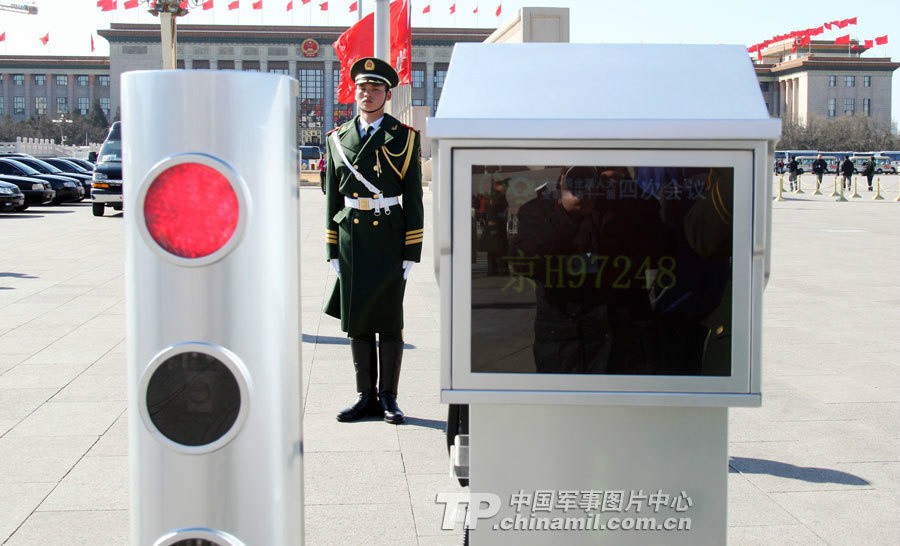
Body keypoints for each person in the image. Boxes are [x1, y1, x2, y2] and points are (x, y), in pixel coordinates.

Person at [323, 57, 424, 425]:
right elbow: (332, 199)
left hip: (389, 236)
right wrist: (332, 247)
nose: (367, 94)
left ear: (387, 94)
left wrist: (412, 249)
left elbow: (413, 198)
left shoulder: (405, 137)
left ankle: (389, 398)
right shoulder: (338, 137)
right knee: (358, 320)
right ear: (356, 92)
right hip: (353, 237)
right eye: (362, 88)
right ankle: (365, 396)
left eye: (375, 88)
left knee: (389, 320)